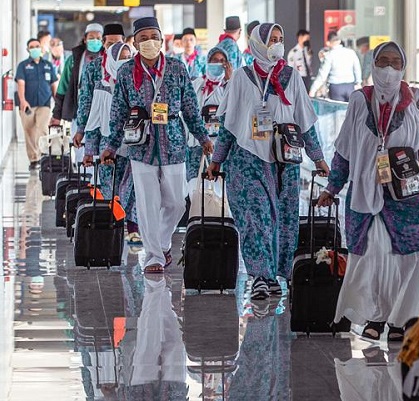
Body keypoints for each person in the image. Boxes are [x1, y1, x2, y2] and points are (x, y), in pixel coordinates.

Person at [317, 41, 419, 341]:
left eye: (395, 62)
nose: (388, 68)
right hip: (368, 192)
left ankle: (402, 319)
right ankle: (376, 316)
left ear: (404, 66)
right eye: (383, 61)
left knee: (411, 259)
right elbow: (345, 149)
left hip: (409, 194)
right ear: (372, 64)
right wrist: (332, 187)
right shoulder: (360, 100)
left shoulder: (415, 99)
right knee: (375, 255)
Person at [206, 22, 328, 300]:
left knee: (284, 220)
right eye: (271, 39)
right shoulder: (242, 77)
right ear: (257, 43)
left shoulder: (291, 77)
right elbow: (229, 124)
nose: (277, 44)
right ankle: (261, 276)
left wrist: (318, 158)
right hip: (247, 160)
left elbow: (305, 123)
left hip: (285, 160)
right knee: (255, 218)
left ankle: (278, 273)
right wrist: (217, 159)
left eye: (280, 38)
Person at [101, 17, 213, 274]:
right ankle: (153, 256)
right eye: (143, 38)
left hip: (173, 142)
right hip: (140, 143)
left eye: (153, 37)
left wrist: (203, 137)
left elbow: (190, 108)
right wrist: (111, 146)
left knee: (177, 203)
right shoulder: (126, 72)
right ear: (135, 43)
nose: (149, 42)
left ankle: (162, 243)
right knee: (147, 203)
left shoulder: (176, 68)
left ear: (162, 40)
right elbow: (118, 113)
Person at [81, 42, 142, 248]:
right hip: (108, 147)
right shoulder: (103, 86)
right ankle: (112, 227)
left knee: (132, 188)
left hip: (133, 144)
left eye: (129, 57)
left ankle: (132, 228)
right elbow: (94, 120)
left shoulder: (138, 84)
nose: (126, 61)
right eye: (121, 57)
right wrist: (89, 151)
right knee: (110, 188)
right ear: (112, 59)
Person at [71, 23, 126, 178]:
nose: (114, 48)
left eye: (118, 43)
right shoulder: (94, 68)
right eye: (110, 43)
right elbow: (86, 101)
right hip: (105, 132)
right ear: (104, 44)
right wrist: (81, 129)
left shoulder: (132, 68)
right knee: (107, 175)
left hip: (131, 135)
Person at [185, 46, 232, 189]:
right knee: (196, 187)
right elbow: (189, 111)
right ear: (208, 62)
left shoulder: (230, 87)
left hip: (221, 147)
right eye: (215, 60)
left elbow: (235, 109)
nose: (218, 63)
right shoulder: (197, 84)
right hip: (198, 145)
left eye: (222, 61)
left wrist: (229, 81)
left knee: (220, 190)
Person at [51, 22, 105, 144]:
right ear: (85, 39)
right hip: (79, 111)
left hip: (103, 112)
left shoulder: (108, 59)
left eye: (98, 38)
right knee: (80, 146)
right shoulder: (73, 60)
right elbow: (63, 88)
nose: (95, 41)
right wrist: (56, 115)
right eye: (91, 38)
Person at [15, 38, 58, 169]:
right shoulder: (23, 66)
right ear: (28, 50)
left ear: (41, 48)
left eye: (37, 46)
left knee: (42, 129)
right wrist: (23, 101)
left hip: (44, 103)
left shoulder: (48, 65)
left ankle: (43, 157)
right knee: (29, 131)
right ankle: (34, 159)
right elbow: (20, 84)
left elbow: (54, 85)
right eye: (32, 47)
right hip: (28, 105)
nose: (35, 49)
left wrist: (58, 103)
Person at [308, 31, 362, 102]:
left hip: (336, 88)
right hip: (350, 86)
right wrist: (358, 83)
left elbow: (322, 76)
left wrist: (313, 90)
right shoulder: (351, 53)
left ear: (328, 43)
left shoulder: (329, 56)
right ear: (339, 41)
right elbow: (357, 69)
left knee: (337, 108)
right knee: (352, 108)